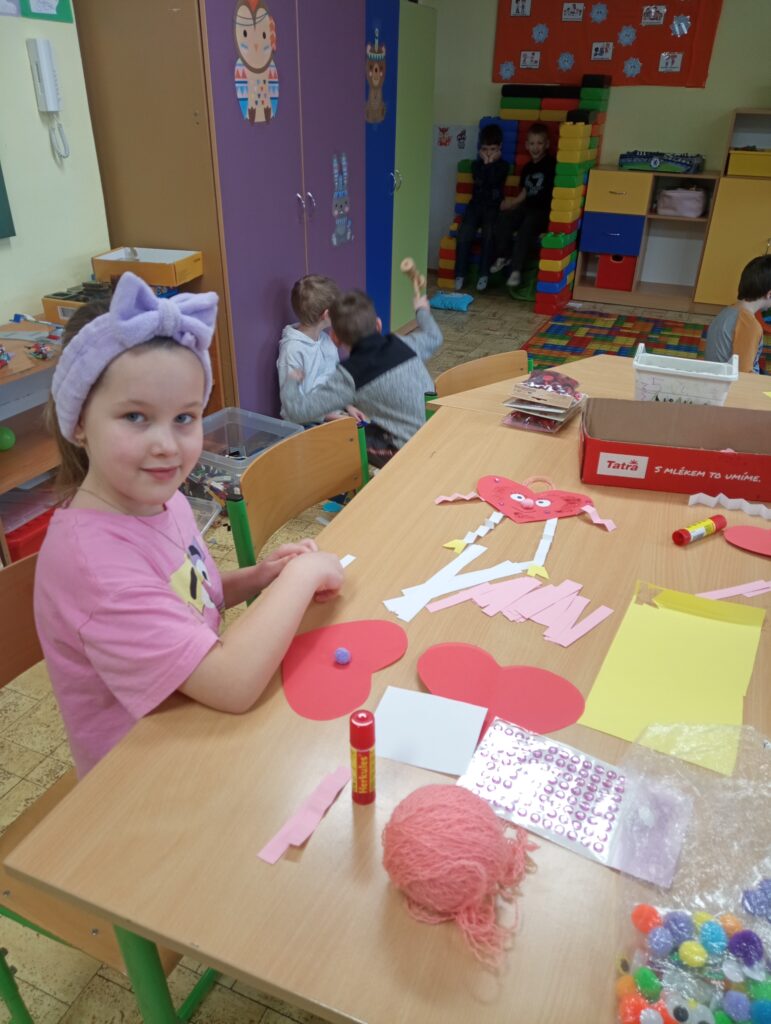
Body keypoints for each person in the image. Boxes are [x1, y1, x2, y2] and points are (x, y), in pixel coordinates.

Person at [34, 272, 344, 777]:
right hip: (143, 775)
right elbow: (232, 683)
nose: (166, 445)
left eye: (184, 417)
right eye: (135, 417)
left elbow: (191, 594)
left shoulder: (160, 498)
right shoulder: (92, 566)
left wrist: (260, 577)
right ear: (79, 421)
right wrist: (304, 577)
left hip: (197, 722)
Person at [280, 289, 443, 466]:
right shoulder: (405, 343)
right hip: (439, 432)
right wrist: (422, 310)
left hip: (408, 452)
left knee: (341, 442)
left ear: (335, 339)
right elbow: (434, 336)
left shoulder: (349, 376)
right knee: (366, 426)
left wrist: (292, 380)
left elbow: (296, 412)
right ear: (378, 325)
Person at [277, 274, 364, 424]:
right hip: (307, 422)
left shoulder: (326, 341)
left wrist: (347, 406)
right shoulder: (292, 351)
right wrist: (328, 416)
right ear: (327, 315)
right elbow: (292, 408)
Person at [491, 122, 556, 288]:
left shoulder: (551, 164)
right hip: (526, 208)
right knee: (504, 219)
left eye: (540, 143)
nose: (536, 147)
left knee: (526, 227)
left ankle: (516, 270)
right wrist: (511, 204)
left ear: (547, 144)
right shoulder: (527, 168)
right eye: (532, 143)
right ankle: (503, 256)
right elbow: (525, 193)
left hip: (542, 211)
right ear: (527, 145)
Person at [454, 124, 509, 293]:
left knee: (489, 234)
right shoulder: (476, 166)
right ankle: (460, 274)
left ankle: (483, 274)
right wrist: (485, 163)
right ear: (480, 149)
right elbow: (481, 178)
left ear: (499, 148)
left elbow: (493, 180)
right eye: (485, 149)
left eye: (492, 149)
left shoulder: (503, 166)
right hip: (475, 206)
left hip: (493, 208)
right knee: (465, 232)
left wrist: (489, 163)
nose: (489, 153)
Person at [704, 255, 771, 373]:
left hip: (715, 376)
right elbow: (743, 373)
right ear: (769, 294)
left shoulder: (728, 311)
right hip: (730, 382)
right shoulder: (750, 326)